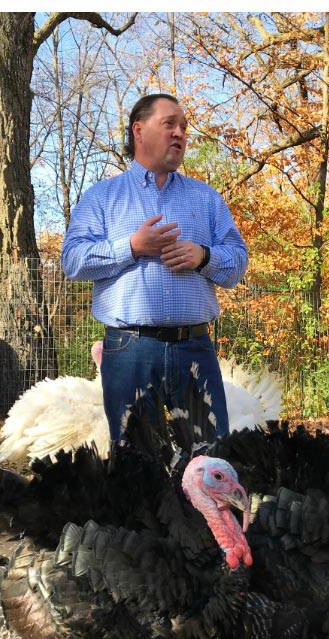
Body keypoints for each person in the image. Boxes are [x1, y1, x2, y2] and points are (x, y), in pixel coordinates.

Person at [61, 92, 247, 443]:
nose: (180, 133)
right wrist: (131, 247)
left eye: (184, 127)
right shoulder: (102, 197)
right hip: (129, 351)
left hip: (194, 347)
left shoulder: (206, 198)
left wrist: (204, 257)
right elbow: (72, 260)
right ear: (139, 130)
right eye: (169, 124)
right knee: (137, 469)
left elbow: (237, 262)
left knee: (210, 459)